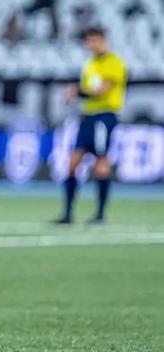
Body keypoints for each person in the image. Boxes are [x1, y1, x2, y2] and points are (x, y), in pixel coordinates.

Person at [55, 27, 126, 225]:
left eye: (95, 40)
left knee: (101, 163)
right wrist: (76, 93)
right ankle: (67, 213)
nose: (91, 45)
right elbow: (88, 89)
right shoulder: (90, 64)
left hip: (104, 116)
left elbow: (102, 91)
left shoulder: (114, 63)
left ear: (104, 41)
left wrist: (76, 92)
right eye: (89, 41)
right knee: (72, 164)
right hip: (87, 117)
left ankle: (100, 214)